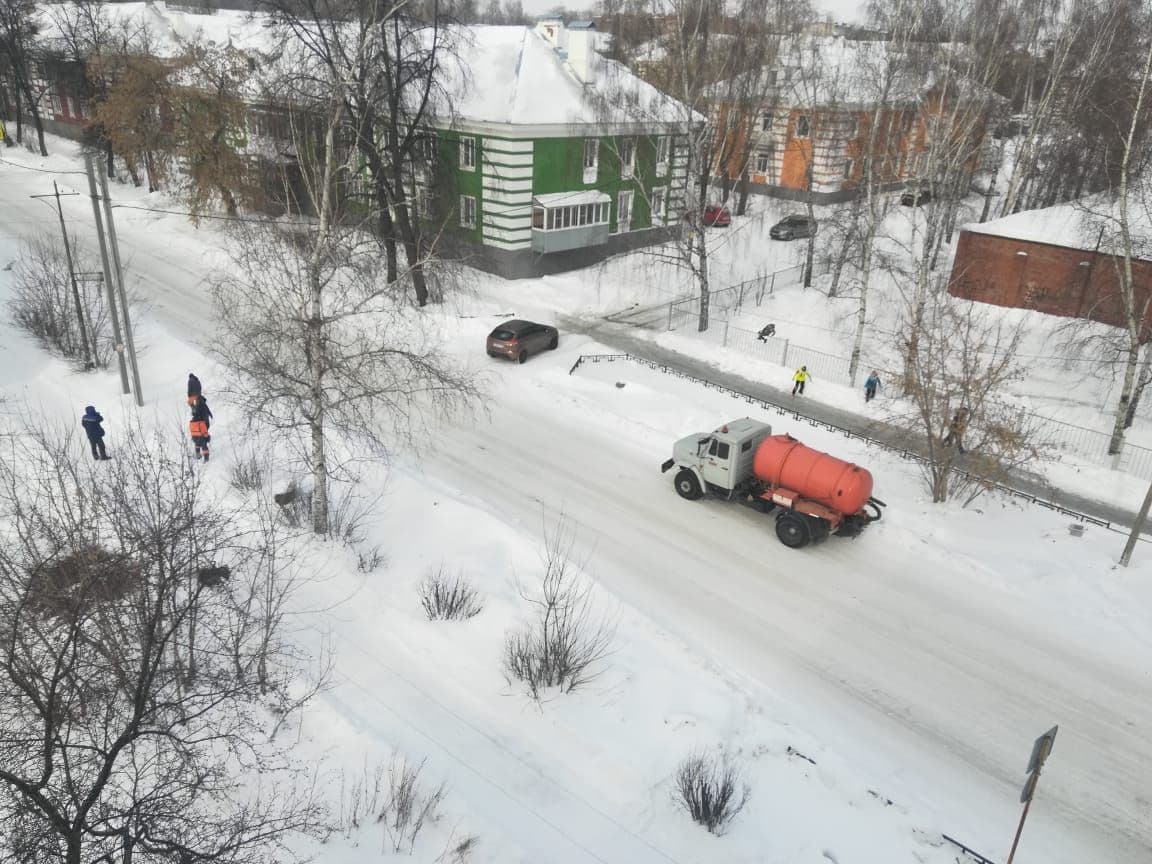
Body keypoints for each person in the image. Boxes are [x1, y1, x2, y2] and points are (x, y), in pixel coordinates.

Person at [190, 395, 213, 462]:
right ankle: (201, 454)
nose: (196, 401)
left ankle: (203, 456)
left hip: (201, 423)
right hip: (203, 423)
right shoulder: (203, 404)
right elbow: (207, 410)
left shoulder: (199, 405)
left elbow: (195, 413)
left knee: (200, 440)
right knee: (202, 438)